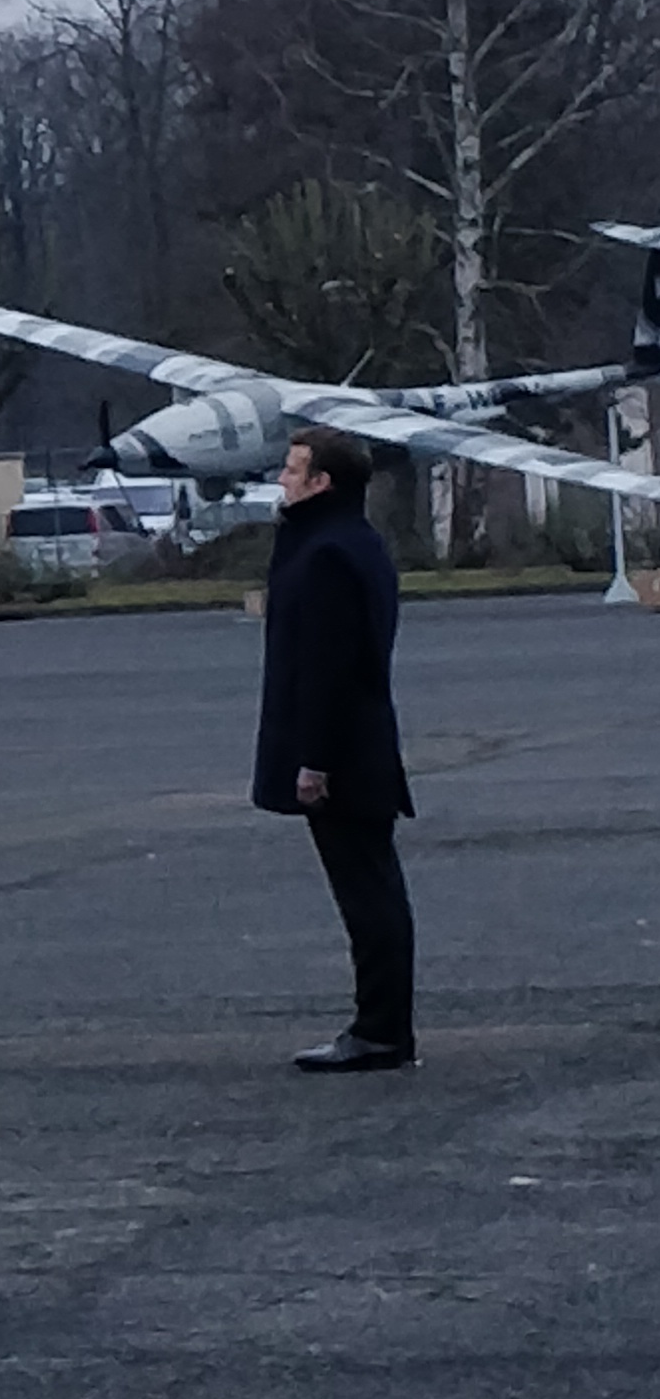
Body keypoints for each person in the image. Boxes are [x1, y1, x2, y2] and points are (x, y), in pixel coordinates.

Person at [253, 428, 415, 1073]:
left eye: (294, 471)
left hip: (343, 753)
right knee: (374, 890)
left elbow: (328, 668)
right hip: (363, 744)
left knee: (368, 897)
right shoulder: (354, 543)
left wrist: (313, 759)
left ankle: (379, 1030)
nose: (283, 481)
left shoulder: (324, 555)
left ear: (322, 482)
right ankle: (381, 1026)